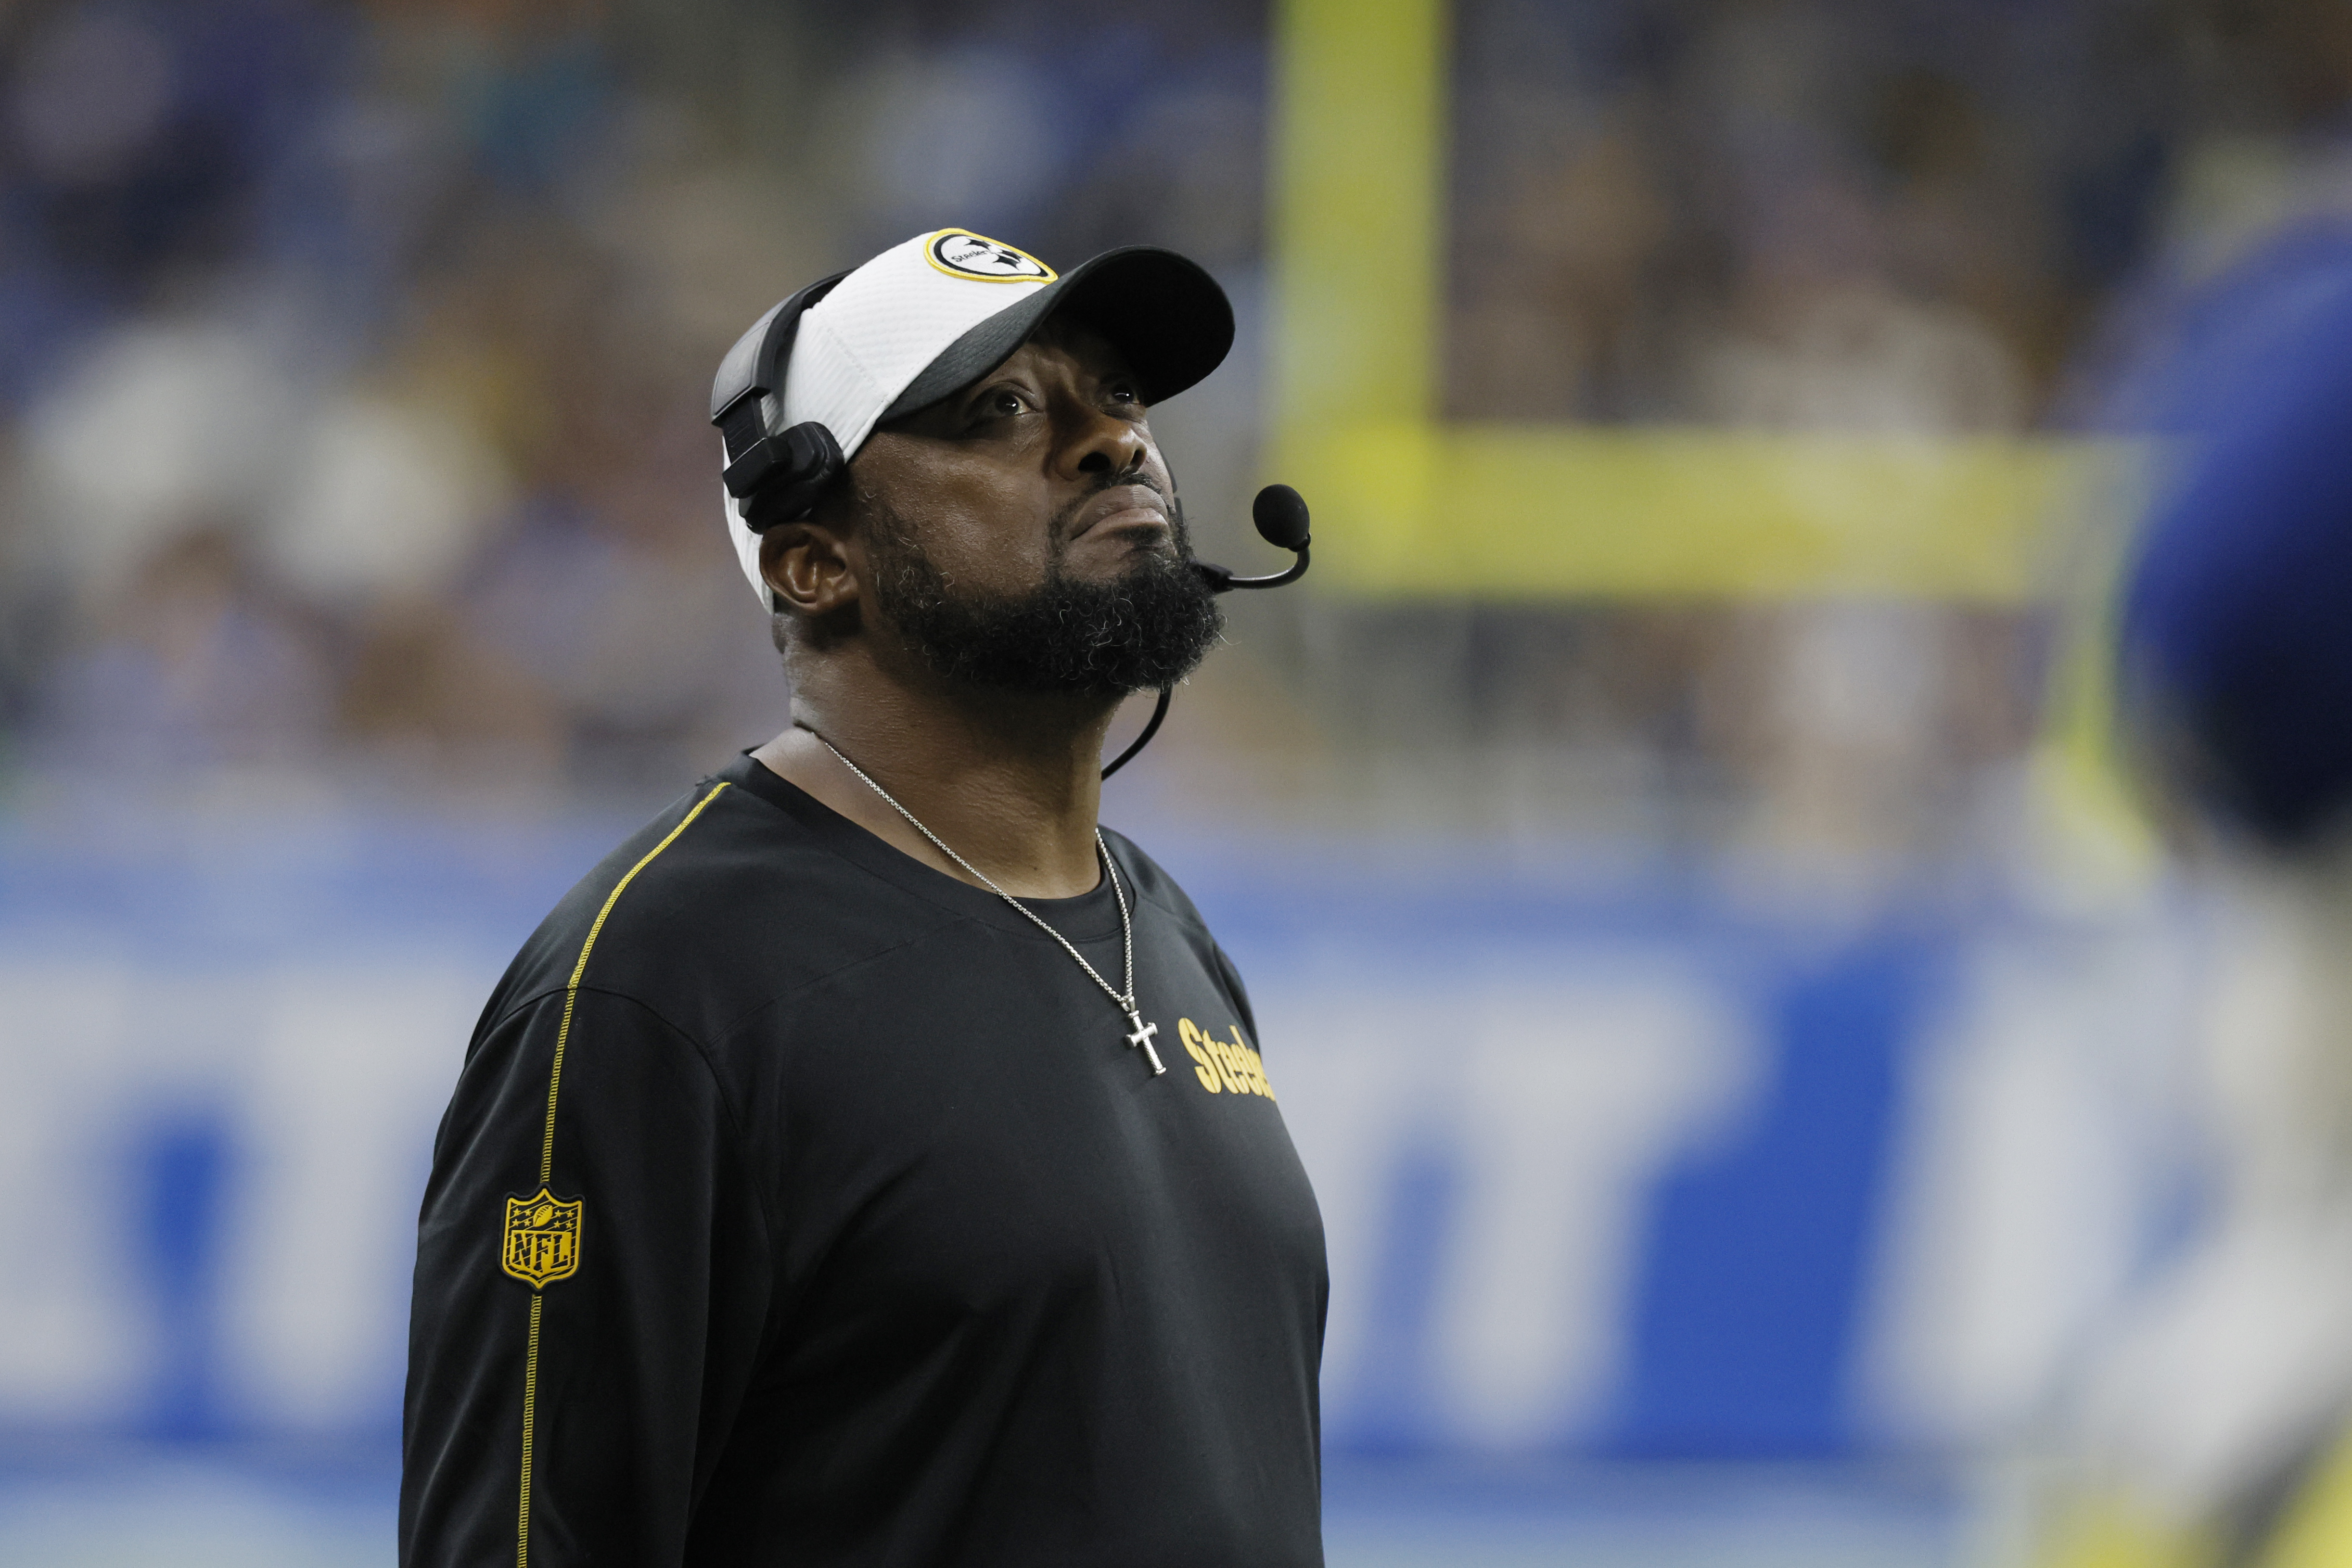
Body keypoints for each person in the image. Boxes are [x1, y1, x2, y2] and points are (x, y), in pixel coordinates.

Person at [399, 230, 1329, 1567]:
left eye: (1120, 396)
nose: (1112, 443)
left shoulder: (1162, 929)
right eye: (999, 410)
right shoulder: (660, 986)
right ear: (813, 561)